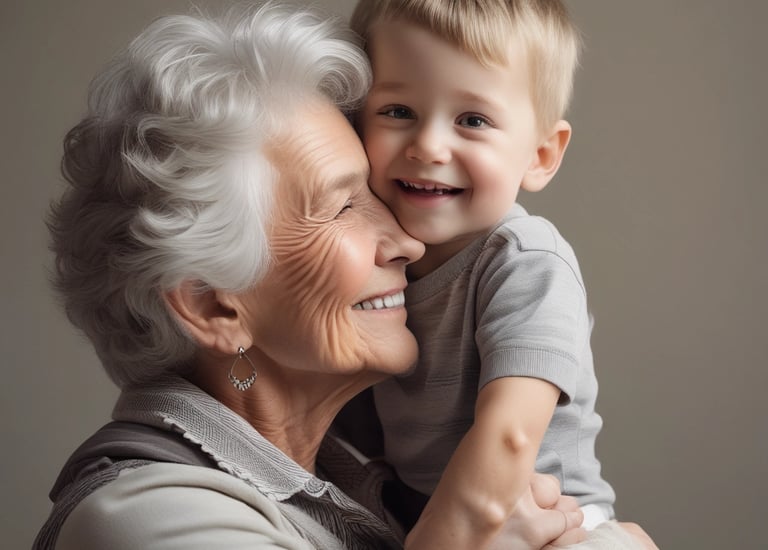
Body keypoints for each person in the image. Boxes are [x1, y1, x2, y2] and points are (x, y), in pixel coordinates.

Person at [32, 2, 590, 549]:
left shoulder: (361, 487)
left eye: (378, 194)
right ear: (211, 304)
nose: (408, 241)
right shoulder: (143, 520)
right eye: (346, 206)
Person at [342, 0, 650, 548]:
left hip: (550, 521)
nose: (429, 145)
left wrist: (439, 540)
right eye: (397, 111)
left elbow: (509, 436)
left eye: (473, 120)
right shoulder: (379, 259)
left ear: (539, 155)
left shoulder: (524, 259)